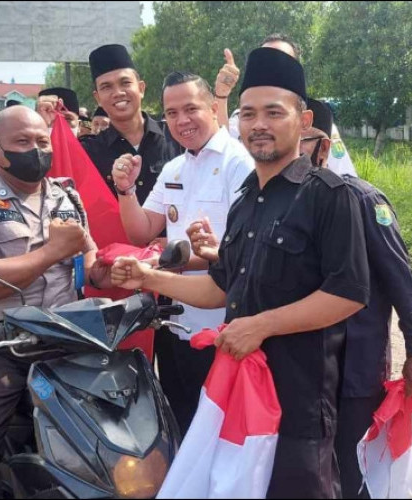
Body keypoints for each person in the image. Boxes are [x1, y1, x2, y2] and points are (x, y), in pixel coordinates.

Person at [112, 47, 370, 498]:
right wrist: (147, 278)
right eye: (248, 114)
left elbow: (348, 292)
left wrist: (261, 325)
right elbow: (221, 286)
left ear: (302, 119)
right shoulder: (249, 197)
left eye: (274, 112)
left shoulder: (329, 195)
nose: (259, 124)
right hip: (238, 389)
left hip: (300, 395)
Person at [0, 106, 110, 499]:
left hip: (64, 339)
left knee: (118, 441)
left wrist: (112, 272)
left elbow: (87, 260)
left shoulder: (66, 195)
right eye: (22, 142)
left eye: (42, 141)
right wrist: (50, 252)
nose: (36, 149)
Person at [302, 98, 412, 499]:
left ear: (323, 147)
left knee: (355, 471)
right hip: (303, 372)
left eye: (302, 139)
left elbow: (401, 281)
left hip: (356, 370)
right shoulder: (284, 203)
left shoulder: (362, 201)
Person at [111, 71, 254, 435]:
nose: (181, 120)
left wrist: (160, 264)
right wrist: (125, 191)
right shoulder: (176, 167)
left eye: (190, 108)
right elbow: (142, 228)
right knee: (182, 417)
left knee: (220, 429)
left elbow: (239, 255)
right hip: (175, 320)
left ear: (212, 106)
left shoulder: (241, 164)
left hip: (222, 323)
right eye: (171, 113)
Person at [215, 33, 358, 177]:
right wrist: (222, 95)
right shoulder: (244, 118)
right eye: (265, 59)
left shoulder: (321, 123)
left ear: (305, 120)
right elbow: (222, 148)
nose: (260, 125)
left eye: (281, 60)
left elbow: (344, 176)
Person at [81, 44, 182, 204]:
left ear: (141, 88)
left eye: (125, 83)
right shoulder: (88, 152)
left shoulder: (176, 137)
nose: (118, 93)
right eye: (106, 87)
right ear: (98, 98)